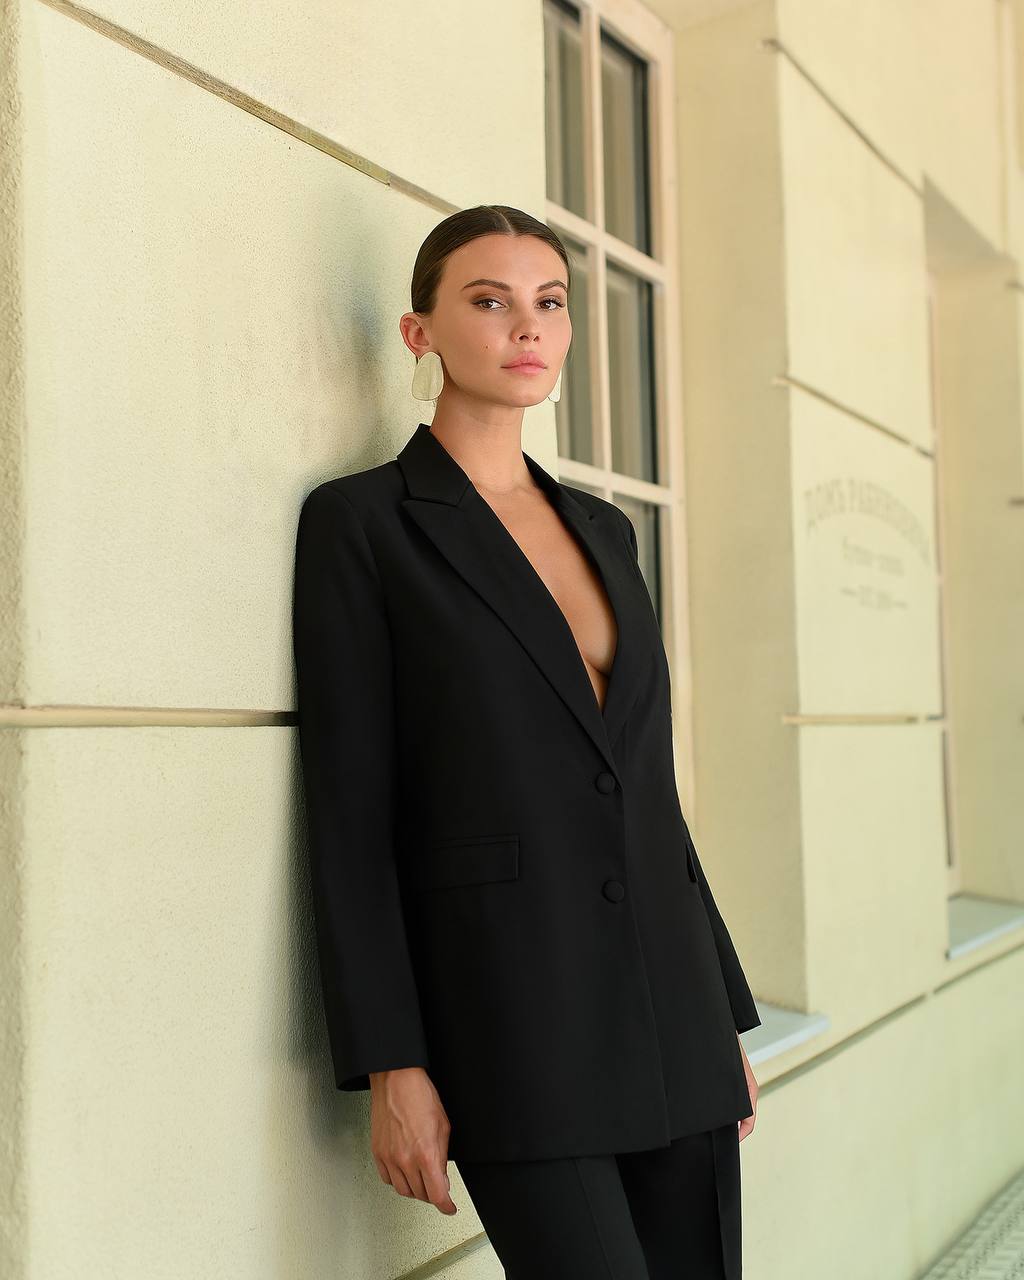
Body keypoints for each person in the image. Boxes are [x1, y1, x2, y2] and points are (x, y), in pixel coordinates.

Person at [292, 204, 761, 1279]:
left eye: (547, 302)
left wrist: (721, 1015)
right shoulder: (364, 524)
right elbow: (350, 813)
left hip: (671, 1008)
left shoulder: (605, 529)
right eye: (488, 300)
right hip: (509, 1018)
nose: (525, 327)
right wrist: (391, 1063)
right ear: (421, 333)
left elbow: (642, 789)